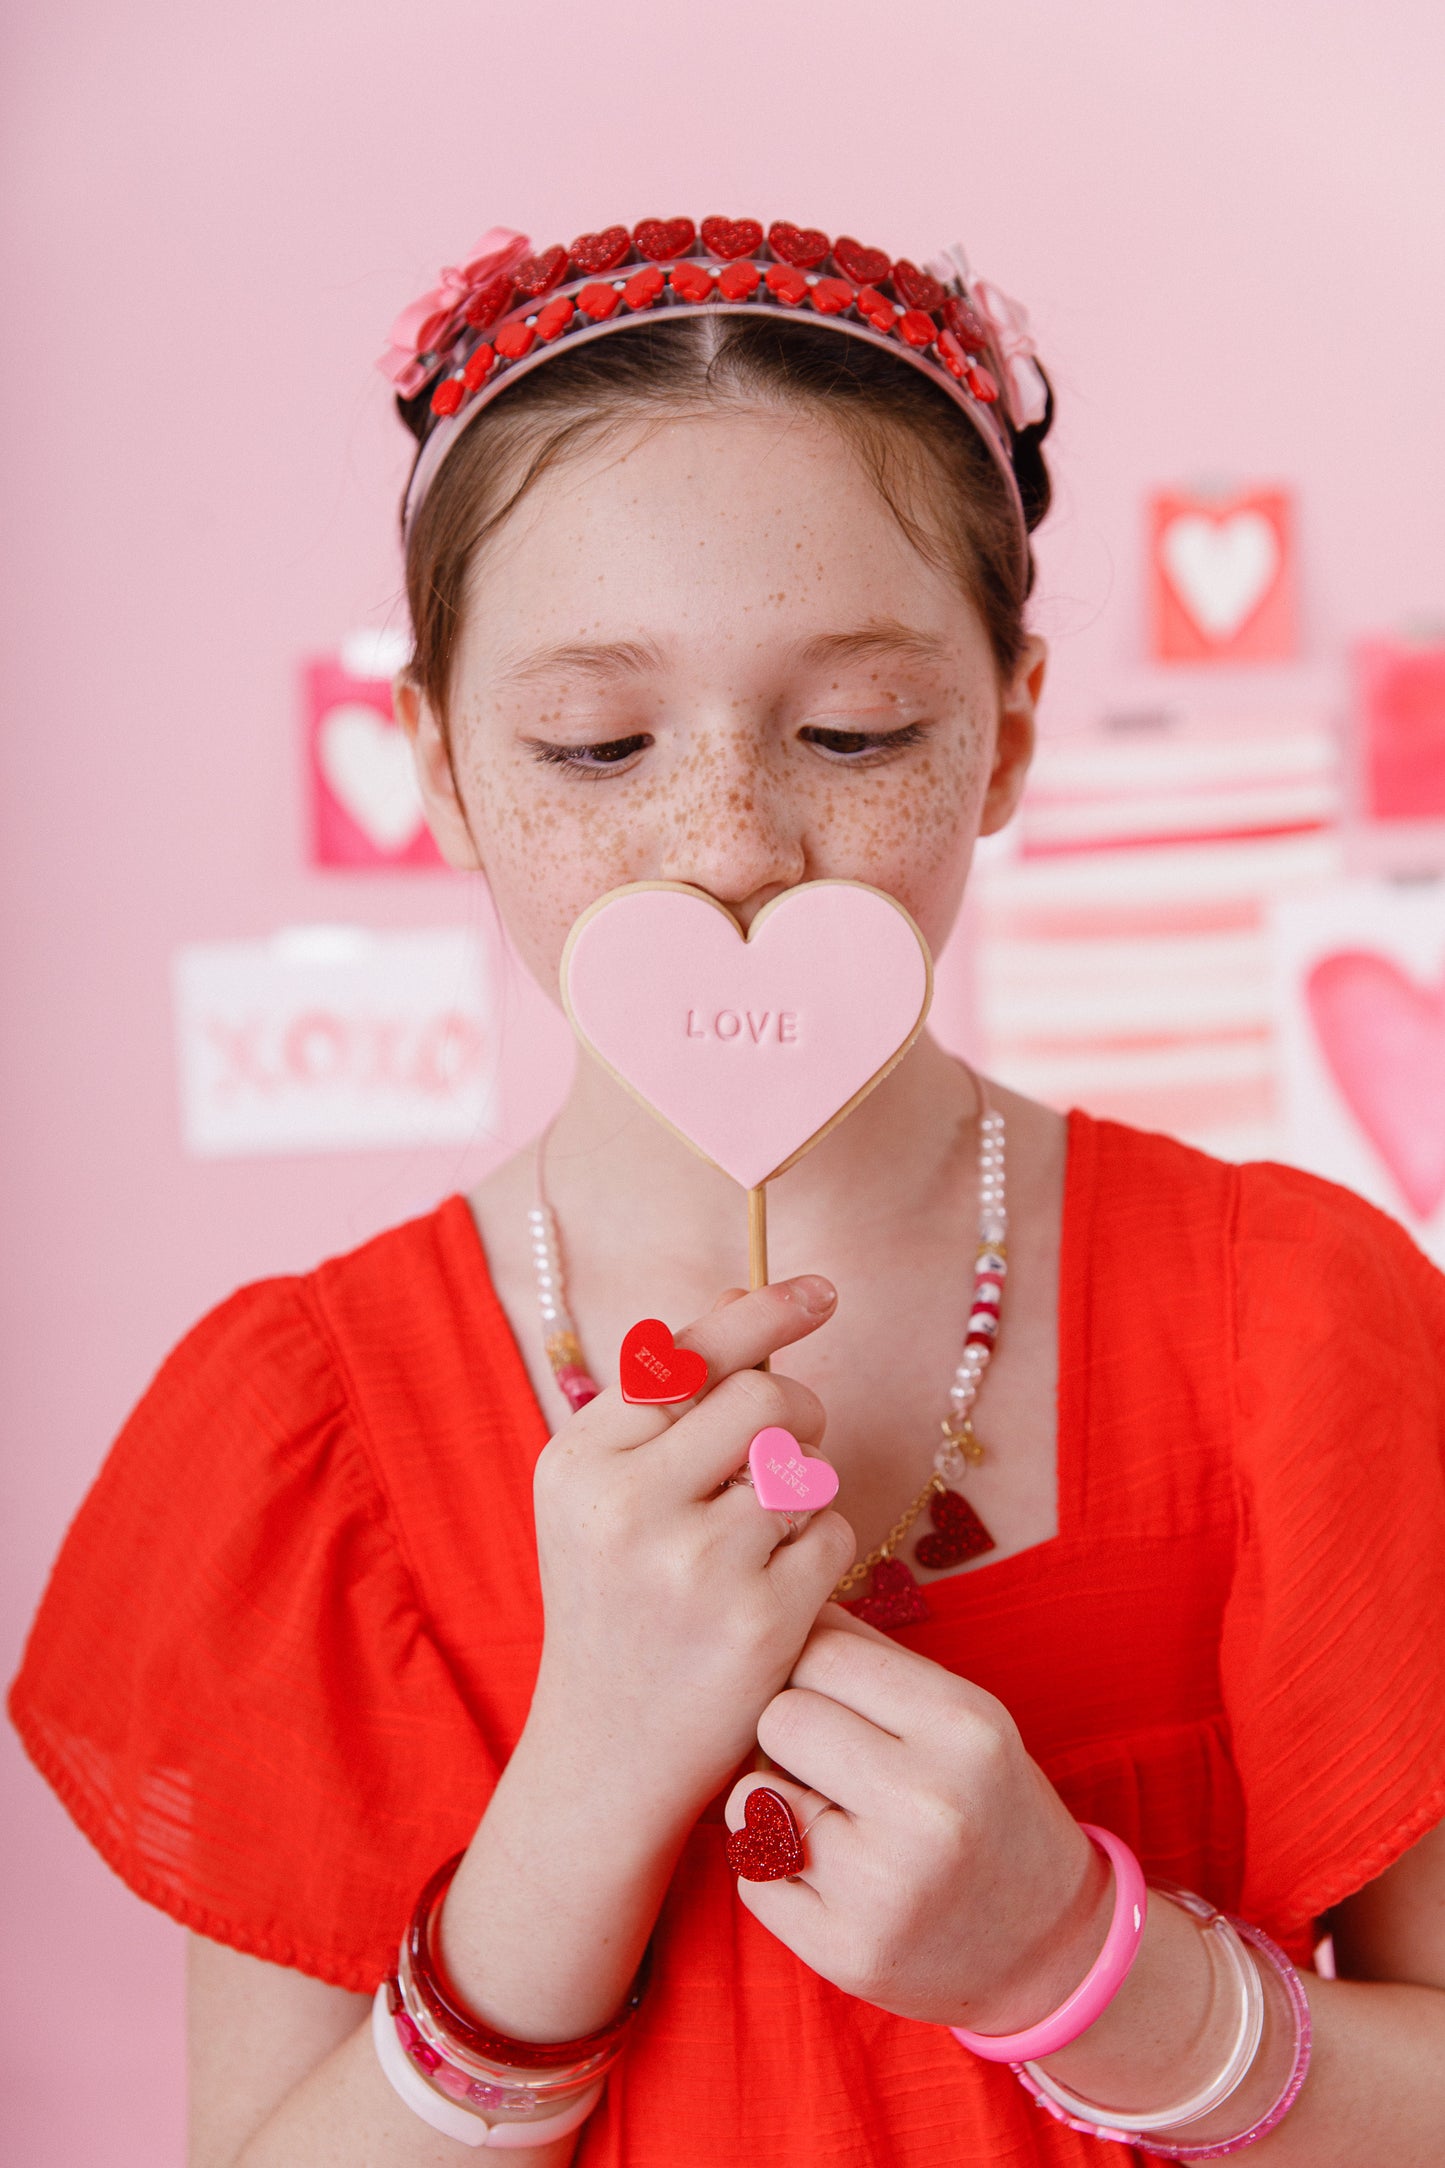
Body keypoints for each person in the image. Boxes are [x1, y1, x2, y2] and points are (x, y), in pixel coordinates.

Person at [10, 216, 1445, 2168]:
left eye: (856, 731)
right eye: (594, 745)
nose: (730, 845)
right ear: (438, 764)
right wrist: (584, 1791)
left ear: (1009, 732)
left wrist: (1078, 1967)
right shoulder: (293, 1439)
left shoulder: (1298, 1321)